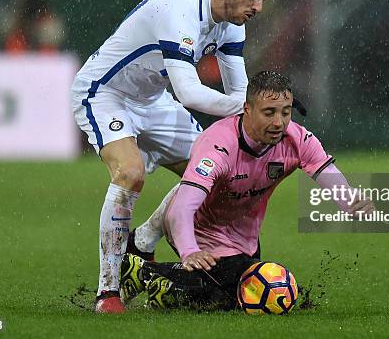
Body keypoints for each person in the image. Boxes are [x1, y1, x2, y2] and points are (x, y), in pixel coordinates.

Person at [69, 0, 273, 313]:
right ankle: (108, 292)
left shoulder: (232, 25)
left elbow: (238, 94)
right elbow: (191, 93)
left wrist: (251, 114)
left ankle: (142, 243)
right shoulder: (179, 12)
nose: (258, 7)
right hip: (105, 93)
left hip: (153, 101)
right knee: (129, 174)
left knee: (218, 176)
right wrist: (252, 113)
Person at [118, 71, 374, 310]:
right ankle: (146, 273)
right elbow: (181, 209)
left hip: (244, 236)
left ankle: (168, 286)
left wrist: (349, 201)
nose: (279, 122)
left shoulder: (297, 140)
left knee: (237, 296)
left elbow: (325, 171)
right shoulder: (218, 145)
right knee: (244, 290)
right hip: (199, 228)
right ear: (247, 109)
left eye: (286, 112)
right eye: (269, 112)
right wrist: (190, 251)